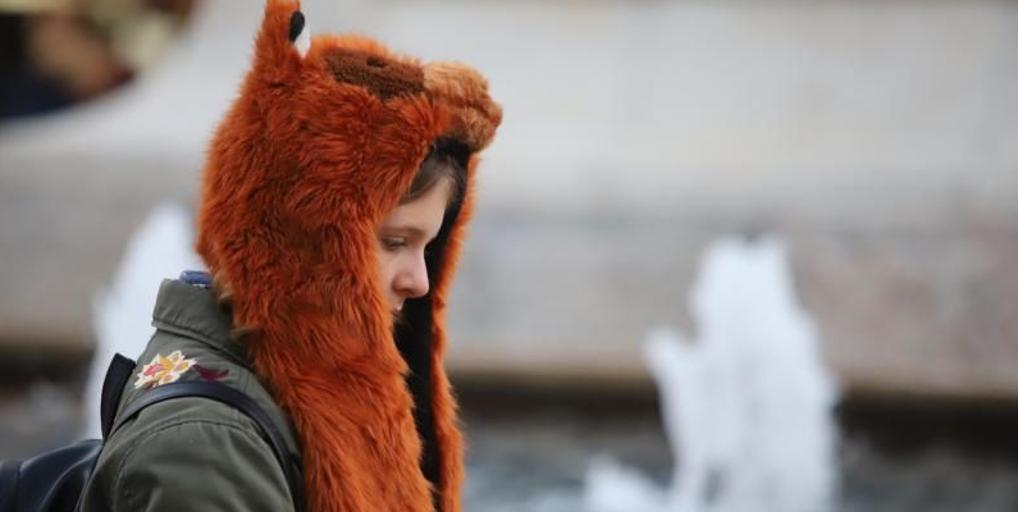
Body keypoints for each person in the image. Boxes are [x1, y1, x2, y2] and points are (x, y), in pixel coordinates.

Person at [78, 0, 502, 510]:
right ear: (300, 235)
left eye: (427, 249)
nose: (419, 281)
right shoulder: (207, 446)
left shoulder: (309, 391)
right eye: (394, 242)